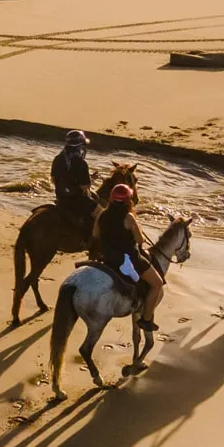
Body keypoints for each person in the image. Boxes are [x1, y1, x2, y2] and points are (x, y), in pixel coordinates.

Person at [94, 183, 163, 329]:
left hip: (109, 257)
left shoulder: (102, 213)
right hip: (129, 258)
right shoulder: (129, 217)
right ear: (128, 200)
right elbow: (140, 240)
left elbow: (95, 234)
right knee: (157, 284)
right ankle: (146, 319)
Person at [50, 131, 95, 226]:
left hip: (61, 199)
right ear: (80, 146)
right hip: (77, 201)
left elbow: (53, 180)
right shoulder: (82, 163)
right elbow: (84, 186)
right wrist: (92, 180)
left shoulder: (57, 159)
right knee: (100, 213)